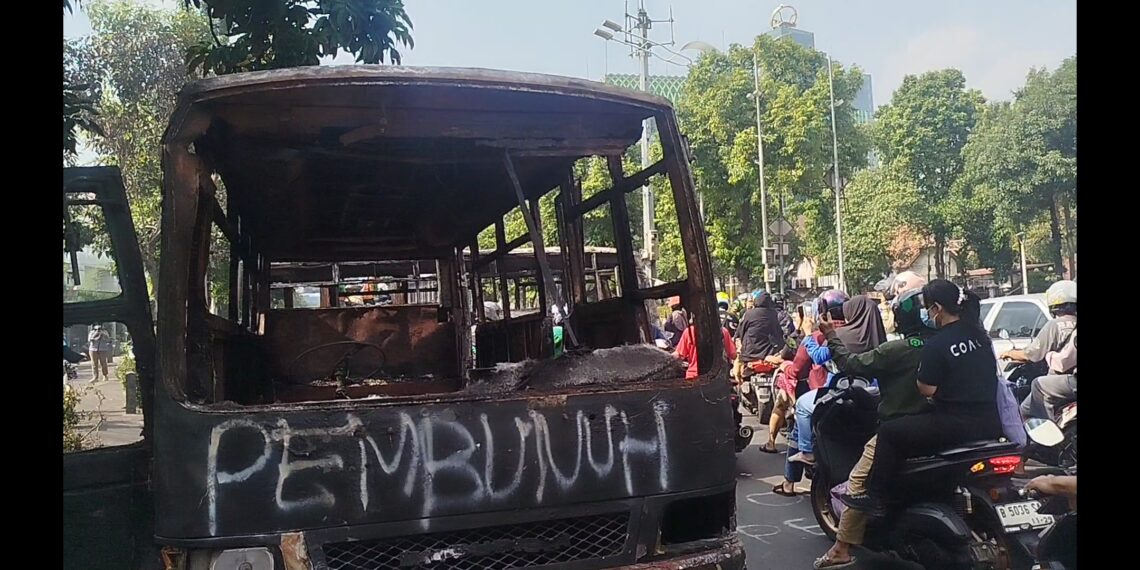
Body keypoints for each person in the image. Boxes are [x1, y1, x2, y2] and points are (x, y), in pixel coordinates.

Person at [843, 280, 1003, 515]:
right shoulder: (980, 337)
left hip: (955, 424)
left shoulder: (937, 344)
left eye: (928, 307)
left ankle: (877, 498)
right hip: (990, 422)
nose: (927, 313)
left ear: (937, 308)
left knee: (890, 432)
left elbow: (926, 389)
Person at [813, 287, 933, 569]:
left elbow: (850, 364)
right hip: (940, 426)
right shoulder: (942, 345)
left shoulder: (897, 349)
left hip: (898, 428)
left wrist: (830, 334)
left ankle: (842, 549)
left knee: (857, 481)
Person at [790, 295, 888, 465]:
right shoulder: (882, 337)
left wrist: (807, 336)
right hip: (873, 394)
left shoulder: (840, 335)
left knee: (802, 406)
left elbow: (819, 357)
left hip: (841, 391)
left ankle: (807, 452)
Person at [999, 280, 1077, 418]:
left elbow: (1032, 354)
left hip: (1066, 379)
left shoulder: (1055, 325)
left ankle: (1046, 435)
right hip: (1070, 381)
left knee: (1029, 402)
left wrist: (1010, 353)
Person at [673, 316, 737, 380]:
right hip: (717, 378)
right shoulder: (723, 331)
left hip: (693, 377)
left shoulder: (689, 332)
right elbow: (733, 355)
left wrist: (666, 358)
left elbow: (679, 355)